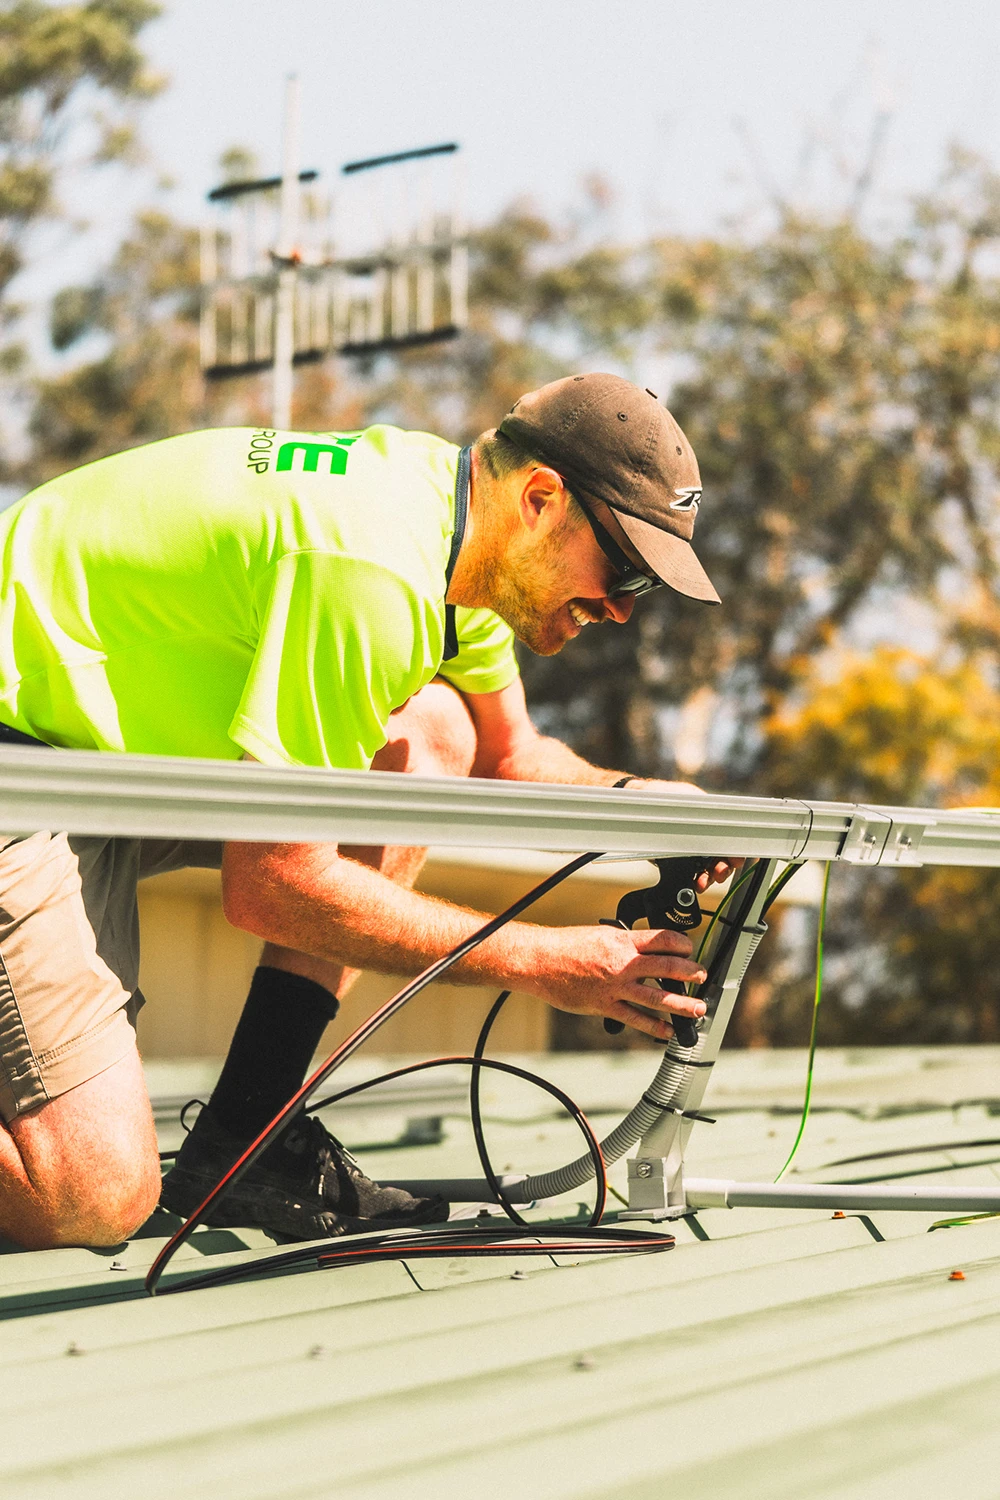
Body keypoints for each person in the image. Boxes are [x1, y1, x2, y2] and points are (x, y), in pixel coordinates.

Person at [0, 372, 731, 1250]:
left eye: (643, 590)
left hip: (95, 755)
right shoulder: (369, 571)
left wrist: (648, 805)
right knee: (90, 1195)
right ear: (541, 500)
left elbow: (510, 756)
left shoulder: (463, 539)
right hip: (22, 766)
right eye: (624, 570)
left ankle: (248, 1139)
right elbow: (274, 886)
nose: (619, 609)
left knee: (433, 730)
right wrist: (546, 962)